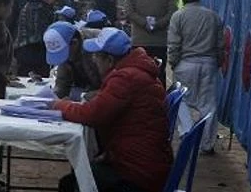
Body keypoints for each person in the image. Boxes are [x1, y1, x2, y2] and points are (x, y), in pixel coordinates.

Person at [53, 28, 173, 192]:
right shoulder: (134, 71)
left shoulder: (125, 78)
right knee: (73, 179)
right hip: (142, 164)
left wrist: (58, 105)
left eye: (97, 56)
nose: (93, 60)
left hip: (137, 174)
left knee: (74, 182)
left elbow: (91, 114)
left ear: (109, 60)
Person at [168, 0, 223, 154]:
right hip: (209, 63)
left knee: (182, 99)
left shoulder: (178, 16)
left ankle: (187, 131)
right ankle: (207, 144)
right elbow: (220, 44)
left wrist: (173, 62)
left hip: (186, 63)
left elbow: (174, 43)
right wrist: (218, 61)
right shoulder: (213, 16)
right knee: (208, 105)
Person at [125, 0, 177, 85]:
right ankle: (160, 101)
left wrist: (143, 23)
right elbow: (171, 12)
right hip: (160, 41)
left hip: (139, 39)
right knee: (159, 73)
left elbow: (129, 11)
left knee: (138, 74)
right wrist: (158, 24)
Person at [14, 0, 63, 77]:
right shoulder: (37, 7)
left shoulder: (38, 4)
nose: (56, 2)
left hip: (29, 48)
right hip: (31, 50)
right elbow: (40, 32)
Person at [43, 21, 102, 101]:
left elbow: (116, 86)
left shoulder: (100, 46)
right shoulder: (69, 49)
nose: (63, 59)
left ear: (75, 43)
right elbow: (62, 83)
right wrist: (54, 97)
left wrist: (96, 94)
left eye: (63, 53)